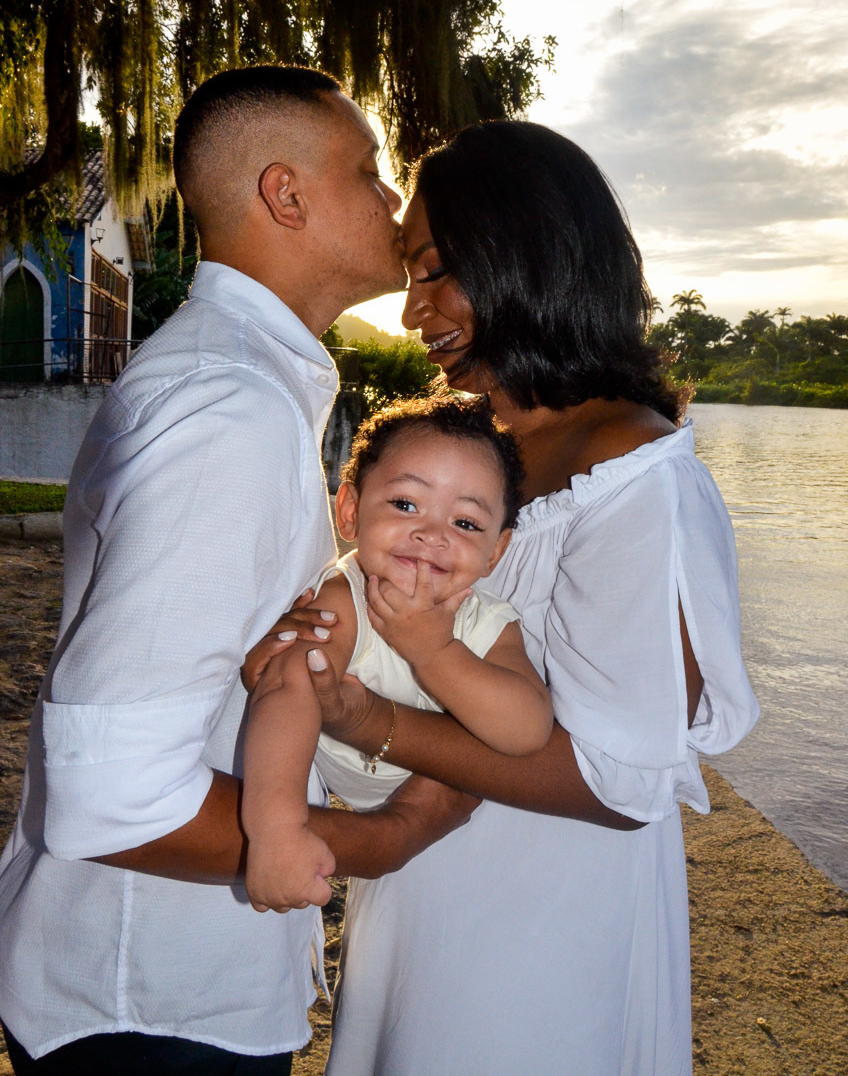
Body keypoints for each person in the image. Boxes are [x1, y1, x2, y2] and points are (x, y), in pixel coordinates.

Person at [0, 66, 475, 1074]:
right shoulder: (231, 410)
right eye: (368, 169)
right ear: (286, 194)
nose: (392, 200)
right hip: (151, 1004)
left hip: (159, 985)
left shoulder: (237, 381)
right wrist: (373, 841)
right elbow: (113, 794)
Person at [300, 121, 761, 1076]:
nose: (413, 311)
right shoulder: (475, 447)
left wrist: (373, 722)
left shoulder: (636, 477)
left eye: (434, 270)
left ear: (526, 254)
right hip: (424, 892)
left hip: (540, 933)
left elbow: (619, 781)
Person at [241, 394, 552, 915]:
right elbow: (285, 688)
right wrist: (276, 831)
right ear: (350, 511)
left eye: (466, 524)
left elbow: (527, 730)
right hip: (361, 801)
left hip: (460, 810)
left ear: (495, 552)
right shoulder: (345, 599)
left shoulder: (488, 624)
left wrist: (434, 649)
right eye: (406, 504)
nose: (431, 535)